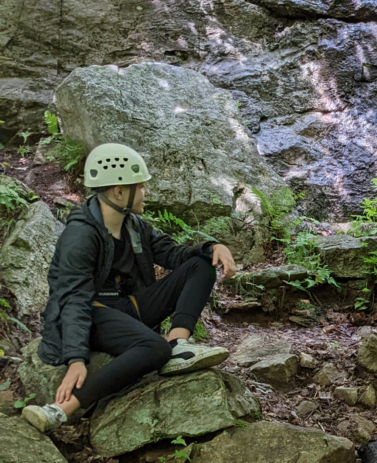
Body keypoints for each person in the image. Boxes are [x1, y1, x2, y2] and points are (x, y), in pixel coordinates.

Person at [22, 143, 235, 432]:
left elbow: (174, 255)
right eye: (141, 186)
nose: (146, 192)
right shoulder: (80, 236)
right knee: (152, 348)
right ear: (119, 192)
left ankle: (178, 345)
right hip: (92, 315)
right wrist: (75, 358)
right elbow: (72, 300)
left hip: (129, 309)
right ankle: (61, 410)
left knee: (201, 263)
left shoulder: (133, 224)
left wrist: (213, 246)